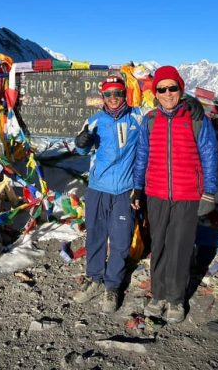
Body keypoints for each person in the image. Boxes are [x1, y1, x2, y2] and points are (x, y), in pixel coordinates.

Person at [133, 65, 218, 322]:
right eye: (162, 89)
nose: (168, 93)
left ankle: (176, 298)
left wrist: (209, 192)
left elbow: (209, 155)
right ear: (155, 93)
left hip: (187, 195)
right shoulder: (149, 120)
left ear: (181, 90)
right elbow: (141, 157)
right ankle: (158, 294)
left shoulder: (196, 119)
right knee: (158, 245)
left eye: (173, 88)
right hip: (156, 194)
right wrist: (138, 188)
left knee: (180, 248)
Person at [72, 75, 144, 313]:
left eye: (118, 93)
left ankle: (112, 286)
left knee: (122, 241)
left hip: (125, 191)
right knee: (95, 236)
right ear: (102, 96)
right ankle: (94, 278)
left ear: (126, 94)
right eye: (109, 94)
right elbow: (81, 150)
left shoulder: (138, 117)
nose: (114, 98)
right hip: (98, 189)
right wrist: (81, 142)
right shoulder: (94, 120)